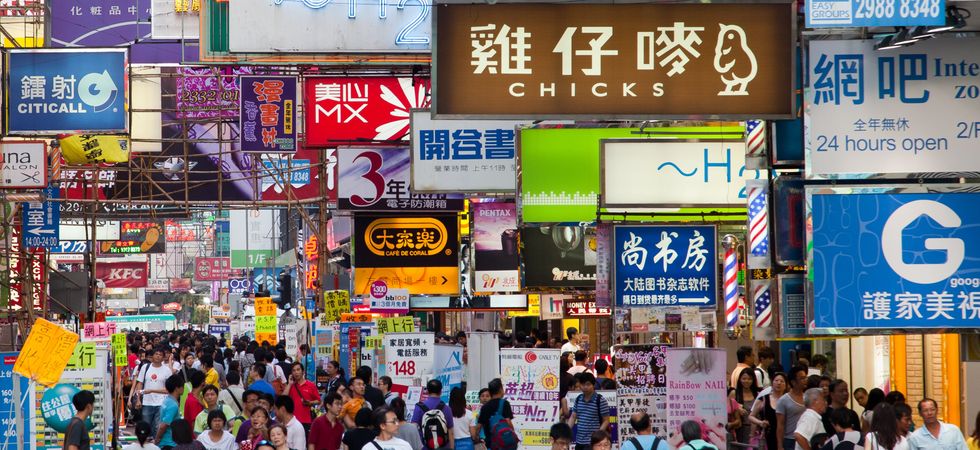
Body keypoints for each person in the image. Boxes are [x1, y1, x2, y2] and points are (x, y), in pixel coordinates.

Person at [134, 347, 178, 434]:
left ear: (163, 357)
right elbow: (140, 383)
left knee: (157, 428)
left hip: (161, 403)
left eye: (160, 355)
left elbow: (168, 389)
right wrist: (138, 399)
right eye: (156, 354)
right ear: (152, 356)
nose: (158, 356)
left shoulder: (167, 370)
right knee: (145, 427)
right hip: (147, 402)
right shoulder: (145, 367)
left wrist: (152, 390)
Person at [568, 373, 610, 450]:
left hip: (593, 442)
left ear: (593, 385)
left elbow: (606, 420)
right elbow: (573, 417)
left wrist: (597, 436)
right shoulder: (578, 399)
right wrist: (566, 430)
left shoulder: (600, 400)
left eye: (588, 384)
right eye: (583, 384)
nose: (585, 387)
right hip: (579, 441)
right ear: (580, 385)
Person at [413, 379, 455, 450]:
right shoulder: (447, 408)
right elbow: (451, 431)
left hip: (425, 447)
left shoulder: (419, 407)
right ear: (441, 391)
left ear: (427, 391)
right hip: (444, 447)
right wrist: (451, 448)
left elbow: (414, 427)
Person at [752, 372, 788, 450]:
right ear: (772, 383)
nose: (779, 383)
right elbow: (751, 416)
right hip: (767, 436)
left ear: (785, 385)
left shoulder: (788, 400)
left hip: (784, 436)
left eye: (782, 381)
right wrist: (760, 422)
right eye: (776, 380)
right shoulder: (764, 399)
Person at [475, 379, 515, 448]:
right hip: (503, 443)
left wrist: (476, 439)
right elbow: (508, 422)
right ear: (500, 389)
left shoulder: (485, 407)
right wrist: (512, 435)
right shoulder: (504, 403)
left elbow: (478, 427)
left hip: (491, 444)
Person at [777, 366, 809, 450]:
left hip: (806, 439)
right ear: (793, 382)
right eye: (802, 378)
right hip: (790, 440)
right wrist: (780, 445)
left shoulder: (808, 398)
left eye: (806, 377)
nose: (805, 380)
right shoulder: (783, 400)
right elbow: (780, 425)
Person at [285, 362, 320, 432]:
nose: (296, 372)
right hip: (292, 420)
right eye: (294, 370)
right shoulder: (290, 386)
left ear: (303, 372)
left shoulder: (311, 385)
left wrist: (310, 402)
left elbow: (318, 401)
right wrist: (289, 384)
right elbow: (283, 398)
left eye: (298, 370)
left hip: (306, 420)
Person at [731, 367, 760, 444]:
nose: (746, 381)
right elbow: (727, 408)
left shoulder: (757, 394)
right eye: (744, 378)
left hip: (755, 431)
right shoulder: (734, 393)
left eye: (749, 379)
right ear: (740, 379)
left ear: (753, 380)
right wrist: (737, 408)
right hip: (740, 430)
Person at [158, 374, 186, 450]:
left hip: (166, 442)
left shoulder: (167, 400)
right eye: (182, 386)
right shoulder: (173, 405)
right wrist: (157, 439)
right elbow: (163, 425)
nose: (183, 388)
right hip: (169, 443)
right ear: (177, 388)